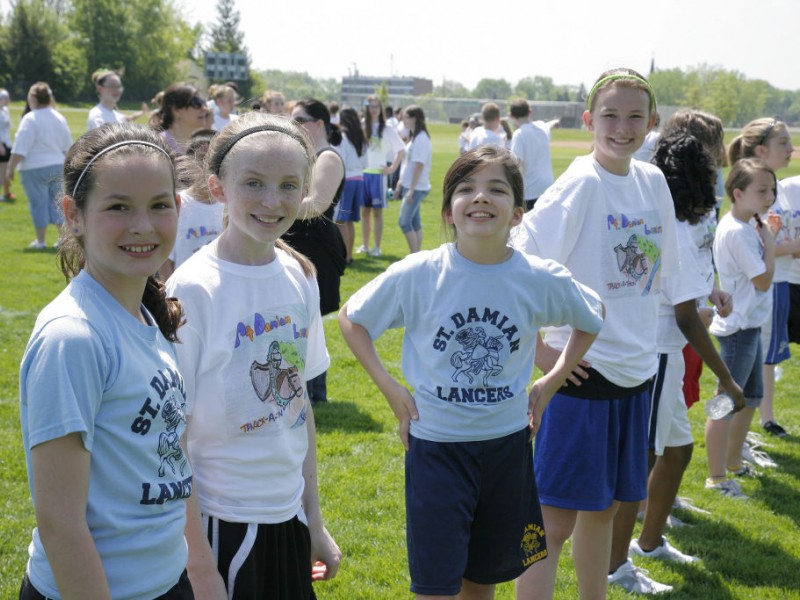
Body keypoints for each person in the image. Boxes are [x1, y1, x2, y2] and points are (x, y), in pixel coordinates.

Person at [339, 145, 605, 599]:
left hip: (506, 448)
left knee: (482, 581)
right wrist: (390, 388)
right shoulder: (421, 273)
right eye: (466, 189)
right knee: (435, 585)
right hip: (437, 448)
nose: (480, 197)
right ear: (448, 210)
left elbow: (590, 317)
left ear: (518, 213)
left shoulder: (539, 278)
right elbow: (352, 318)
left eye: (496, 190)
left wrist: (551, 380)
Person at [512, 68, 679, 598]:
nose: (622, 127)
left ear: (652, 124)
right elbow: (519, 266)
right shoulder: (580, 184)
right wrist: (541, 350)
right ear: (588, 119)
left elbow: (660, 271)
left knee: (605, 510)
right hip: (581, 375)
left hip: (636, 370)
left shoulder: (652, 181)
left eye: (635, 117)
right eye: (610, 115)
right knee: (551, 521)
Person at [165, 112, 341, 599]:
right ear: (218, 187)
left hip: (286, 516)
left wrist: (313, 521)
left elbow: (297, 406)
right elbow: (170, 437)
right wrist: (200, 564)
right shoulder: (193, 289)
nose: (272, 200)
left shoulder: (299, 274)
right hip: (222, 519)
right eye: (254, 183)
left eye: (289, 185)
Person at [18, 122, 193, 599]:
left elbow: (171, 464)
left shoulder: (142, 312)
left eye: (159, 205)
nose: (142, 225)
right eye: (118, 207)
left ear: (178, 208)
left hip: (166, 580)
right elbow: (60, 524)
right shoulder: (73, 338)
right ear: (73, 214)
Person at [612, 132, 746, 575]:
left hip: (661, 348)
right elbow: (686, 315)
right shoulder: (679, 227)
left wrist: (709, 293)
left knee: (678, 451)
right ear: (700, 175)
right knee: (641, 462)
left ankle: (648, 545)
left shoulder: (675, 220)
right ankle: (615, 568)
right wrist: (726, 379)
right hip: (660, 352)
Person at [706, 158, 779, 497]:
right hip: (737, 330)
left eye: (772, 189)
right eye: (761, 190)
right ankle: (717, 477)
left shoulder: (747, 225)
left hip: (749, 326)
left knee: (750, 398)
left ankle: (734, 463)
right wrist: (771, 246)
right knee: (725, 402)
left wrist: (764, 237)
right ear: (737, 193)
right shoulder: (737, 232)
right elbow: (763, 280)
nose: (770, 196)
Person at [728, 118, 798, 440]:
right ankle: (739, 438)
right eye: (783, 142)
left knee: (764, 360)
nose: (791, 148)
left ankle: (751, 428)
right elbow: (758, 241)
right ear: (761, 149)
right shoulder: (758, 192)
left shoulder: (774, 188)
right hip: (763, 288)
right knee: (753, 365)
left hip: (776, 284)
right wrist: (792, 246)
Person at [286, 99, 347, 403]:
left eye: (299, 119)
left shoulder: (328, 158)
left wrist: (272, 207)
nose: (293, 125)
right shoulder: (304, 156)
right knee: (295, 322)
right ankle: (302, 389)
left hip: (314, 249)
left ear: (319, 123)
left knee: (308, 323)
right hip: (297, 245)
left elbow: (316, 206)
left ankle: (313, 393)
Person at [5, 82, 72, 249]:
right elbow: (67, 146)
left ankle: (41, 241)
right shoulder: (59, 117)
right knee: (57, 204)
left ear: (33, 98)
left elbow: (21, 147)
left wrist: (10, 168)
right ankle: (61, 240)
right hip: (57, 165)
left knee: (38, 204)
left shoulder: (30, 118)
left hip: (33, 168)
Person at [158, 132, 223, 280]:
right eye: (202, 159)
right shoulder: (176, 203)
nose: (208, 167)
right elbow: (165, 260)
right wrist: (169, 298)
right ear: (187, 162)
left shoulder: (230, 205)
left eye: (214, 161)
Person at [357, 95, 405, 258]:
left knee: (377, 213)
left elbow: (401, 149)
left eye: (377, 106)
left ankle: (377, 247)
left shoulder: (387, 128)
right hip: (363, 174)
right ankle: (365, 245)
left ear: (381, 109)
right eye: (371, 106)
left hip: (378, 176)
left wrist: (392, 168)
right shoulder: (362, 126)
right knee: (364, 212)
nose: (374, 109)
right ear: (367, 108)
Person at [396, 105, 432, 254]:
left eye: (405, 117)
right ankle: (416, 256)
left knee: (404, 222)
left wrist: (410, 190)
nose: (403, 120)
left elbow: (419, 165)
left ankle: (414, 255)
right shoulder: (414, 137)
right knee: (415, 223)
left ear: (414, 119)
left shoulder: (421, 139)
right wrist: (400, 182)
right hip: (411, 185)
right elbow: (408, 163)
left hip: (416, 187)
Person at [508, 99, 554, 212]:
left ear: (511, 115)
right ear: (530, 112)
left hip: (531, 189)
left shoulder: (519, 134)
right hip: (549, 186)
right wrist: (555, 122)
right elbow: (549, 125)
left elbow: (515, 163)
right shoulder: (542, 127)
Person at [334, 107, 367, 264]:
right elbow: (365, 162)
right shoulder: (361, 137)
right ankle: (349, 255)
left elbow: (340, 160)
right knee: (349, 221)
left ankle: (344, 256)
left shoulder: (343, 138)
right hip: (359, 180)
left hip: (346, 181)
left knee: (341, 220)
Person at [148, 83, 208, 156]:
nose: (204, 108)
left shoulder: (202, 147)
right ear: (176, 110)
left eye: (203, 102)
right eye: (196, 102)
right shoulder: (159, 145)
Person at [0, 88, 15, 202]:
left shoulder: (5, 111)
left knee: (5, 171)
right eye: (4, 98)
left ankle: (6, 193)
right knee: (2, 171)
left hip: (6, 143)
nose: (7, 100)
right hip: (1, 144)